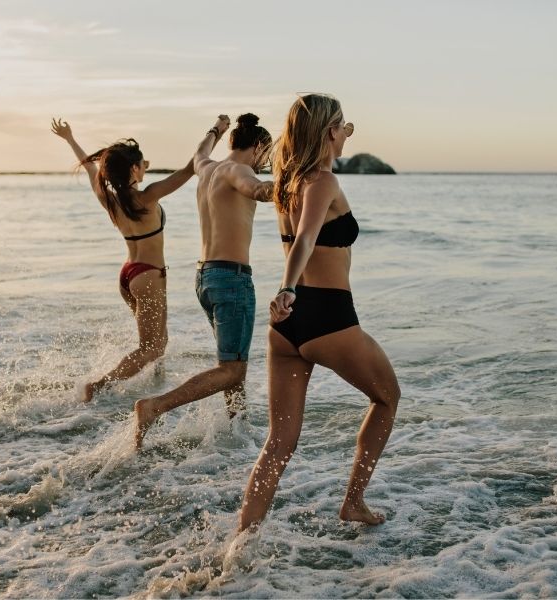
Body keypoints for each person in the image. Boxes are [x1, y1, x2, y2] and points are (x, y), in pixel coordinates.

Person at [238, 95, 401, 529]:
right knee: (387, 398)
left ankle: (241, 539)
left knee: (279, 442)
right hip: (329, 318)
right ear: (329, 132)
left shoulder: (288, 183)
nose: (347, 132)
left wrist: (342, 133)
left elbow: (300, 235)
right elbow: (307, 239)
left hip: (287, 329)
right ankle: (354, 502)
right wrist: (287, 287)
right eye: (342, 126)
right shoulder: (323, 182)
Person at [51, 116, 230, 402]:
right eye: (143, 162)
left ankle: (154, 385)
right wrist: (216, 131)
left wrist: (70, 138)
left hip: (128, 275)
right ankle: (97, 387)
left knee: (157, 342)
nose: (146, 165)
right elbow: (191, 167)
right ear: (133, 168)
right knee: (151, 348)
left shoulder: (109, 199)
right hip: (148, 275)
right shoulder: (147, 197)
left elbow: (89, 167)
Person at [134, 113, 274, 450]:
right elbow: (258, 190)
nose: (266, 161)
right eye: (267, 154)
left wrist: (216, 129)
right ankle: (155, 407)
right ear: (257, 146)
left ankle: (237, 429)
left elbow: (200, 149)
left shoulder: (206, 166)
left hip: (205, 277)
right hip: (231, 278)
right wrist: (298, 178)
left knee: (231, 360)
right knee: (232, 370)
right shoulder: (239, 170)